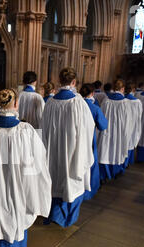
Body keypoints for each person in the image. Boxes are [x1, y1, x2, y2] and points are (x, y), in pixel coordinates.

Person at [0, 88, 52, 247]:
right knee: (17, 210)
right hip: (19, 183)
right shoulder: (25, 130)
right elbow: (38, 160)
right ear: (16, 104)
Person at [41, 67, 95, 228]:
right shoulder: (78, 102)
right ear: (73, 82)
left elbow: (43, 127)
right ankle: (66, 217)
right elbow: (88, 128)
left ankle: (53, 213)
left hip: (52, 150)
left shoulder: (50, 102)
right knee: (71, 182)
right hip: (72, 151)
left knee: (54, 179)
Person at [96, 79, 131, 181]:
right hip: (119, 131)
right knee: (117, 150)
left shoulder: (106, 101)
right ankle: (115, 171)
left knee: (105, 150)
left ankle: (104, 174)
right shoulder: (125, 102)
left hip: (106, 131)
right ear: (122, 89)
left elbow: (102, 117)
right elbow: (127, 120)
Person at [80, 83, 108, 200]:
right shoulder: (94, 108)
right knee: (90, 164)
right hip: (89, 141)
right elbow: (103, 125)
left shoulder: (75, 105)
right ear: (92, 93)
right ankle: (88, 191)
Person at [123, 82, 143, 167]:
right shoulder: (137, 102)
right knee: (130, 142)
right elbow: (139, 115)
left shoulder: (122, 100)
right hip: (133, 125)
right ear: (133, 90)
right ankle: (126, 163)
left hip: (123, 125)